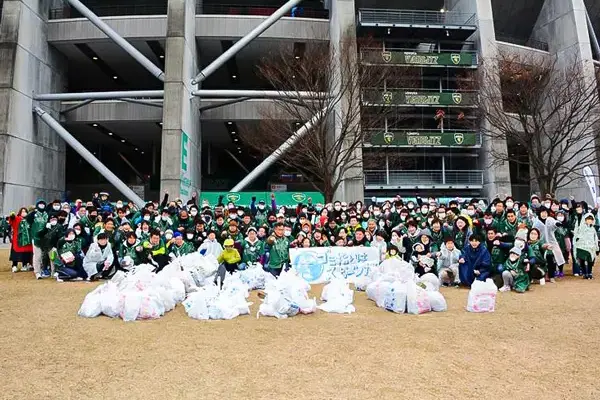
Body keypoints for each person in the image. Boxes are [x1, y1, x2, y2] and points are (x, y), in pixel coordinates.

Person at [573, 213, 599, 279]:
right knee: (582, 260)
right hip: (581, 247)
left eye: (591, 219)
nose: (589, 221)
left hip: (591, 248)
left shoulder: (593, 229)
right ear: (585, 219)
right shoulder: (581, 227)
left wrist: (597, 248)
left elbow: (595, 238)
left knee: (590, 261)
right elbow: (577, 233)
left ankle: (589, 273)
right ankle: (585, 273)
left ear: (593, 220)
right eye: (588, 219)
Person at [8, 208, 33, 272]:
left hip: (26, 240)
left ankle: (24, 265)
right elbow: (11, 221)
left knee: (25, 253)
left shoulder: (29, 219)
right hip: (17, 239)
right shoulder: (17, 218)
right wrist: (12, 217)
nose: (24, 213)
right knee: (15, 254)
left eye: (25, 211)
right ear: (20, 212)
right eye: (22, 211)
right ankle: (14, 265)